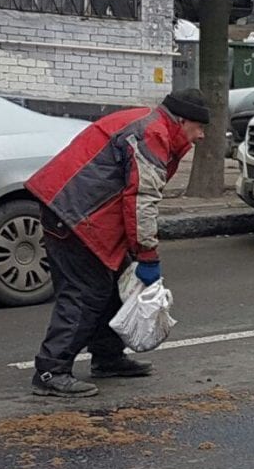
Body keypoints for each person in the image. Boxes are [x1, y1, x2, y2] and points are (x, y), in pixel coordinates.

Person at [26, 88, 209, 397]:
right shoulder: (153, 134)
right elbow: (141, 199)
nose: (201, 136)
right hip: (75, 215)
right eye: (199, 127)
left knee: (113, 285)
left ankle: (107, 357)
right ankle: (50, 370)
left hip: (73, 209)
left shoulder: (146, 121)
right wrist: (148, 255)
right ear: (181, 121)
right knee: (86, 293)